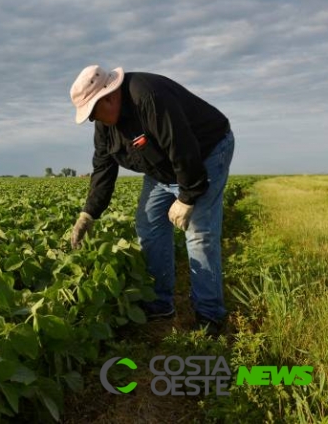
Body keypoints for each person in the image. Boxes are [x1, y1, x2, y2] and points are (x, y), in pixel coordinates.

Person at [69, 65, 235, 335]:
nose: (93, 120)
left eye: (93, 112)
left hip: (205, 154)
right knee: (149, 224)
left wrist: (187, 196)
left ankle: (210, 316)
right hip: (162, 167)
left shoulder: (148, 98)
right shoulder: (105, 125)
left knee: (199, 234)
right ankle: (159, 302)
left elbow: (183, 146)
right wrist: (89, 213)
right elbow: (103, 167)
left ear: (108, 97)